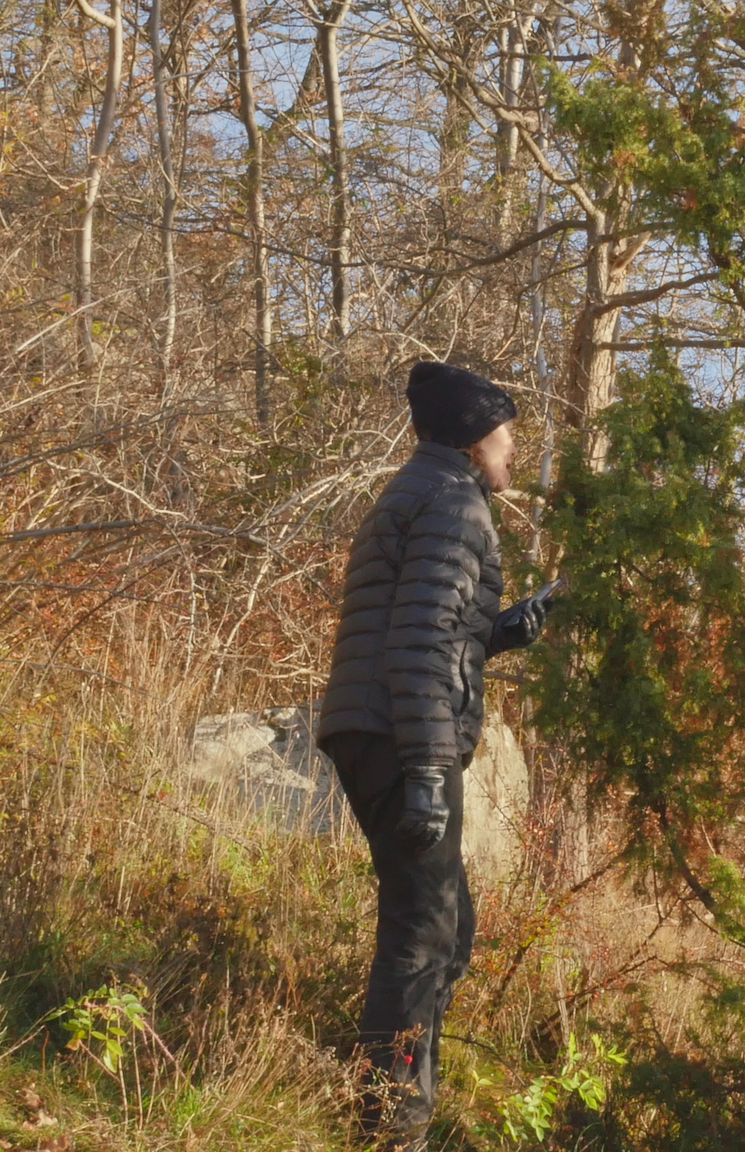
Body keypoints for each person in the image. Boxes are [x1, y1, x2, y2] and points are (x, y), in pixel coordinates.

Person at [316, 362, 553, 1147]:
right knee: (424, 936)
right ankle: (392, 1129)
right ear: (473, 437)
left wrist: (504, 630)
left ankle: (395, 1109)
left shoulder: (420, 490)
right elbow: (419, 646)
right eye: (506, 433)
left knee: (443, 929)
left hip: (376, 728)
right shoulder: (454, 503)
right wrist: (425, 771)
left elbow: (431, 628)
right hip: (403, 737)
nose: (512, 448)